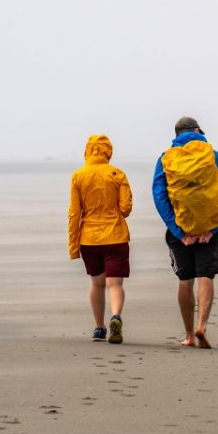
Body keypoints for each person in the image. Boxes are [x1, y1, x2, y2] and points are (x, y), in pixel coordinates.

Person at [152, 116, 218, 349]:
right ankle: (202, 326)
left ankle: (189, 335)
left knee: (185, 279)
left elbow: (159, 195)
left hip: (181, 230)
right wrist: (214, 227)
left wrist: (178, 231)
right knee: (206, 276)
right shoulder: (213, 155)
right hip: (208, 229)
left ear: (176, 134)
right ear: (197, 130)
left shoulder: (165, 159)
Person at [67, 134, 133, 344]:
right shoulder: (117, 174)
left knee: (97, 283)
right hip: (115, 235)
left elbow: (74, 213)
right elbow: (126, 208)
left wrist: (73, 246)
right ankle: (115, 315)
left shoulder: (78, 176)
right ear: (108, 151)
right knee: (115, 283)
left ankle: (99, 328)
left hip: (89, 239)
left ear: (87, 151)